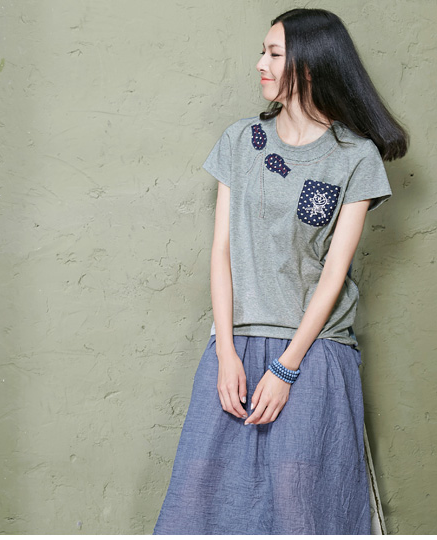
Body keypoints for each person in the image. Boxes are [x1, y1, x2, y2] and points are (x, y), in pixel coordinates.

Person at [153, 8, 408, 535]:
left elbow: (333, 273)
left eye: (273, 54)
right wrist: (225, 352)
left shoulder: (355, 158)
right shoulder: (239, 141)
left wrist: (287, 368)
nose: (260, 64)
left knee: (301, 510)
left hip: (312, 351)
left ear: (309, 67)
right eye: (263, 52)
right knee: (199, 506)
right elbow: (221, 251)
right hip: (236, 346)